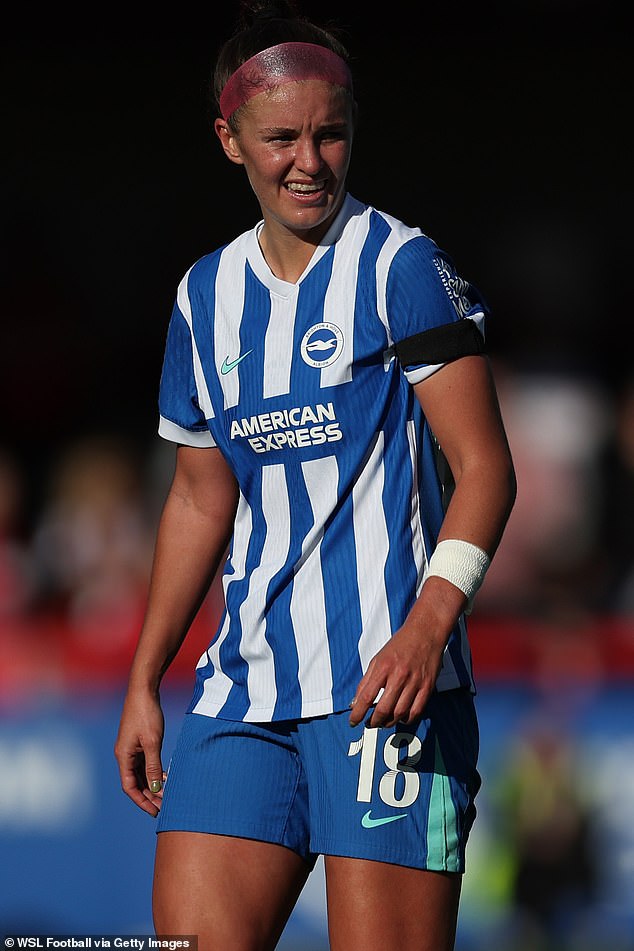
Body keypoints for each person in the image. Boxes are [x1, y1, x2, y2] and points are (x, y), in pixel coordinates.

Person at [114, 2, 517, 949]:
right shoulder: (202, 296)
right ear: (230, 141)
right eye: (282, 137)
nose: (309, 160)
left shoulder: (400, 266)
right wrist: (144, 676)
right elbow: (199, 495)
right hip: (242, 698)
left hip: (388, 695)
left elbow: (487, 468)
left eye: (330, 134)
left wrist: (428, 628)